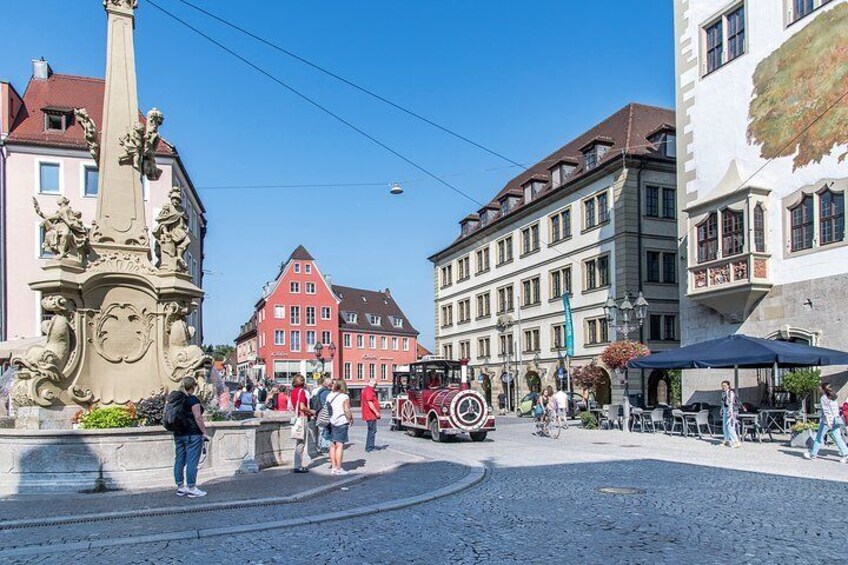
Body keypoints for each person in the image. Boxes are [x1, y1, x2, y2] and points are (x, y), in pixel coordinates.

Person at [173, 376, 209, 498]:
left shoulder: (176, 399)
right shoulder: (192, 399)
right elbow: (198, 417)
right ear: (193, 386)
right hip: (192, 434)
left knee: (179, 460)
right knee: (192, 461)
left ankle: (180, 487)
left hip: (178, 433)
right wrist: (204, 432)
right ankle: (192, 487)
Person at [804, 383, 848, 463]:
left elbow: (826, 412)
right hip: (836, 420)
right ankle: (846, 455)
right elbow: (835, 410)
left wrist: (828, 422)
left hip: (827, 421)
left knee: (819, 438)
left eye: (820, 388)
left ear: (824, 389)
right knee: (838, 438)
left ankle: (812, 455)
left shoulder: (823, 398)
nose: (819, 389)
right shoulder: (834, 396)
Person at [326, 380, 353, 475]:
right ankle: (339, 468)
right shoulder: (344, 397)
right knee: (340, 445)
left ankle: (333, 467)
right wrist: (350, 418)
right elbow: (346, 410)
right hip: (341, 421)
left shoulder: (330, 395)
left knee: (332, 445)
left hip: (331, 421)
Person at [290, 375, 313, 473]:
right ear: (303, 382)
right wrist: (311, 411)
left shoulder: (293, 392)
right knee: (301, 443)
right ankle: (298, 465)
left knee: (298, 443)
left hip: (297, 417)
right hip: (302, 418)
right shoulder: (301, 392)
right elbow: (302, 407)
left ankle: (297, 464)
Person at [308, 377, 333, 456]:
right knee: (324, 430)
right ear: (329, 384)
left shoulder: (320, 391)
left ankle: (321, 445)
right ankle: (324, 446)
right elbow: (326, 404)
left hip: (319, 413)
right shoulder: (326, 392)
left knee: (321, 430)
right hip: (323, 413)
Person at [361, 378, 381, 452]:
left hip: (370, 414)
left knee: (371, 430)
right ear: (374, 384)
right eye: (376, 384)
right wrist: (376, 412)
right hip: (370, 414)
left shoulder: (367, 390)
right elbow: (370, 403)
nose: (376, 386)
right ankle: (370, 448)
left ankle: (370, 447)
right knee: (372, 431)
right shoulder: (369, 390)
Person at [720, 380, 741, 448]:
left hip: (731, 411)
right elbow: (723, 402)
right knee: (724, 426)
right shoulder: (723, 393)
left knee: (730, 426)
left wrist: (730, 412)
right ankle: (726, 441)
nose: (723, 387)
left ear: (728, 386)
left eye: (725, 385)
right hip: (725, 410)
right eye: (722, 386)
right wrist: (722, 409)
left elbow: (731, 403)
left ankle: (736, 441)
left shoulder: (731, 393)